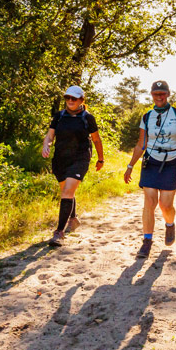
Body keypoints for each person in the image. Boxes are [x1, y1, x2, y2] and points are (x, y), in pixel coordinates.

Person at [123, 80, 176, 258]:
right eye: (155, 94)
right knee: (149, 202)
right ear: (152, 95)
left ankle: (170, 224)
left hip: (172, 162)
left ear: (168, 94)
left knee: (165, 205)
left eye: (162, 93)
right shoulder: (147, 117)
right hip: (151, 161)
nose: (159, 96)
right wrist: (130, 166)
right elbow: (141, 144)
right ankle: (147, 242)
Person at [42, 85, 104, 247]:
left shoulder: (87, 118)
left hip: (80, 158)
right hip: (60, 159)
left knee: (67, 191)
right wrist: (46, 145)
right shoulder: (59, 116)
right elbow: (50, 136)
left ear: (81, 100)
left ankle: (59, 233)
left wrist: (100, 159)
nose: (70, 100)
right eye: (67, 97)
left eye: (74, 98)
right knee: (66, 191)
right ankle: (73, 219)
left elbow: (96, 139)